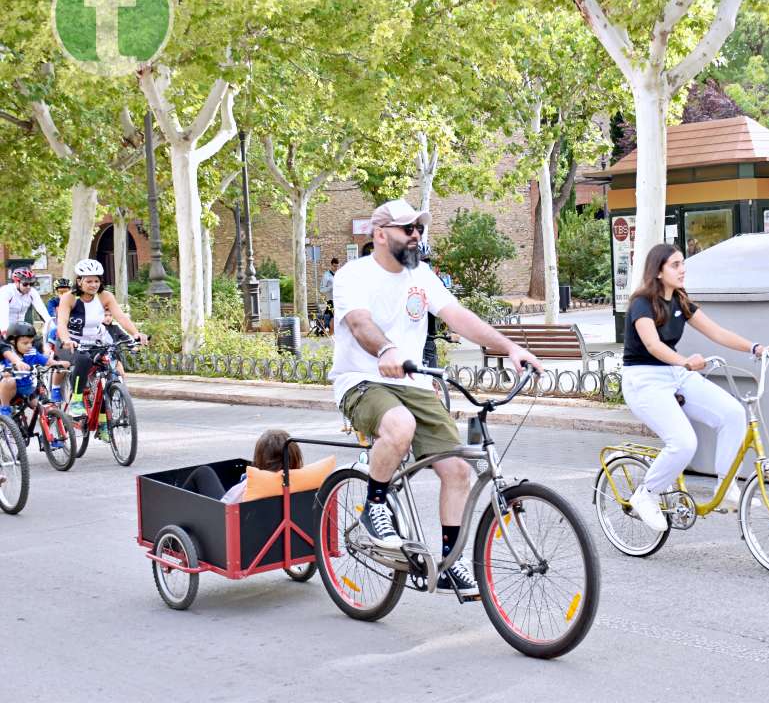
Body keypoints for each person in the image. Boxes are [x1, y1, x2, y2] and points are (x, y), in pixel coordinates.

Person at [330, 199, 543, 595]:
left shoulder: (422, 276)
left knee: (458, 469)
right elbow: (360, 323)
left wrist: (510, 348)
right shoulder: (353, 276)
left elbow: (459, 316)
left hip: (413, 383)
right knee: (400, 426)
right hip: (362, 381)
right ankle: (375, 505)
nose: (416, 236)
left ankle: (449, 562)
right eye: (407, 229)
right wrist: (386, 351)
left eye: (420, 230)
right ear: (380, 235)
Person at [621, 243, 769, 533]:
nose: (682, 270)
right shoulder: (641, 304)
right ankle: (645, 494)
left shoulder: (680, 301)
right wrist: (684, 362)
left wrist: (756, 347)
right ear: (658, 271)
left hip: (675, 373)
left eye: (683, 264)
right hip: (643, 379)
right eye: (675, 265)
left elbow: (717, 332)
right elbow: (652, 345)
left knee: (732, 413)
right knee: (683, 443)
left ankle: (726, 486)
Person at [57, 259, 149, 419]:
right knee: (83, 359)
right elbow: (62, 323)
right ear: (79, 281)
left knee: (108, 369)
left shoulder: (105, 296)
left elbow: (121, 317)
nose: (93, 285)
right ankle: (77, 400)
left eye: (96, 281)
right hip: (70, 343)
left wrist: (136, 333)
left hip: (96, 342)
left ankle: (103, 420)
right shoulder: (69, 298)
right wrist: (66, 340)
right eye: (89, 281)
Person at [179, 429, 303, 504]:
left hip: (229, 527)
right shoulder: (303, 482)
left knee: (203, 473)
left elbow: (226, 505)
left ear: (260, 458)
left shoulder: (252, 485)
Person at [0, 321, 70, 422]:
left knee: (38, 407)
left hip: (27, 388)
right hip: (8, 390)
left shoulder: (31, 352)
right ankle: (5, 411)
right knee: (8, 381)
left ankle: (46, 432)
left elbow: (47, 361)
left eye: (31, 342)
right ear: (13, 342)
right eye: (25, 343)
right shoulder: (7, 353)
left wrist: (59, 363)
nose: (29, 346)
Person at [0, 268, 51, 340]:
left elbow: (41, 309)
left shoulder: (32, 292)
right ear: (16, 282)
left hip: (19, 327)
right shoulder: (6, 291)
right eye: (25, 284)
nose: (28, 287)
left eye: (31, 284)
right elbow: (3, 314)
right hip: (2, 325)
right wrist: (4, 331)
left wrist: (51, 324)